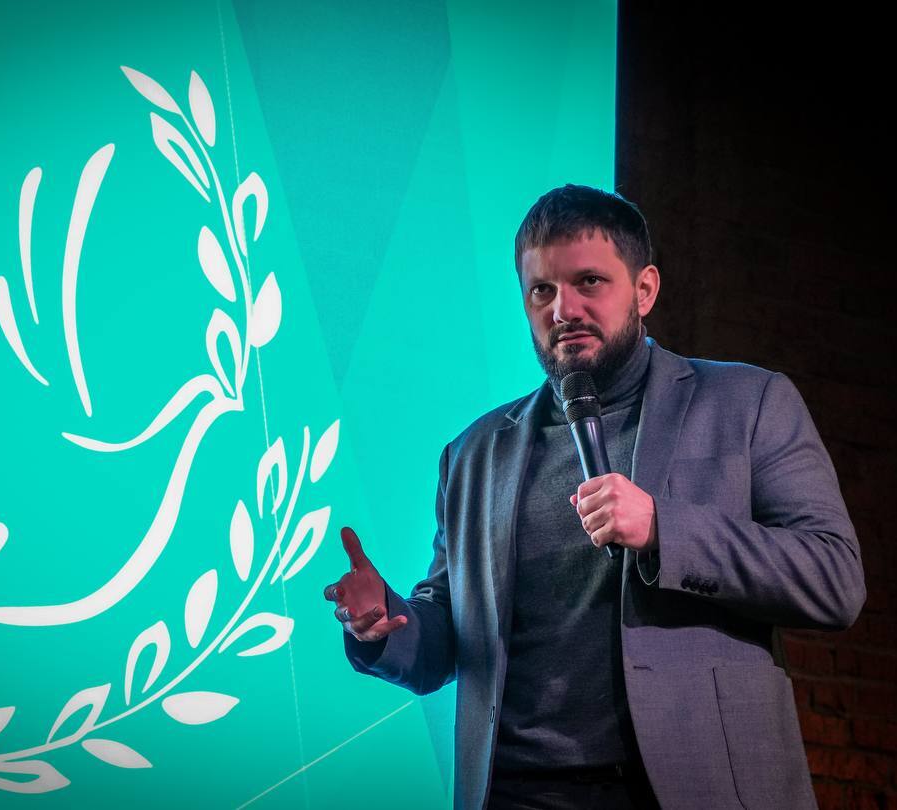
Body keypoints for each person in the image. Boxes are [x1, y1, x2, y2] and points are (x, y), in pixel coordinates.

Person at [325, 184, 866, 810]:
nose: (564, 309)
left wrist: (664, 528)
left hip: (686, 787)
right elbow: (449, 636)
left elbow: (834, 579)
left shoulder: (747, 403)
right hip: (518, 792)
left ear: (645, 289)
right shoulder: (473, 455)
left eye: (589, 282)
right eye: (542, 291)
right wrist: (383, 625)